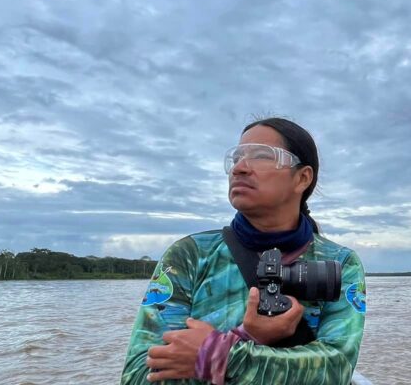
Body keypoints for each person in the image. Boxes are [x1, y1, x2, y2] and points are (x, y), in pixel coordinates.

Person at [121, 118, 366, 384]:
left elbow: (336, 370)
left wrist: (220, 356)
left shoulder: (339, 263)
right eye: (236, 158)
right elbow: (138, 374)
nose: (239, 168)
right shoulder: (190, 255)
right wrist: (247, 338)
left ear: (302, 178)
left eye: (261, 156)